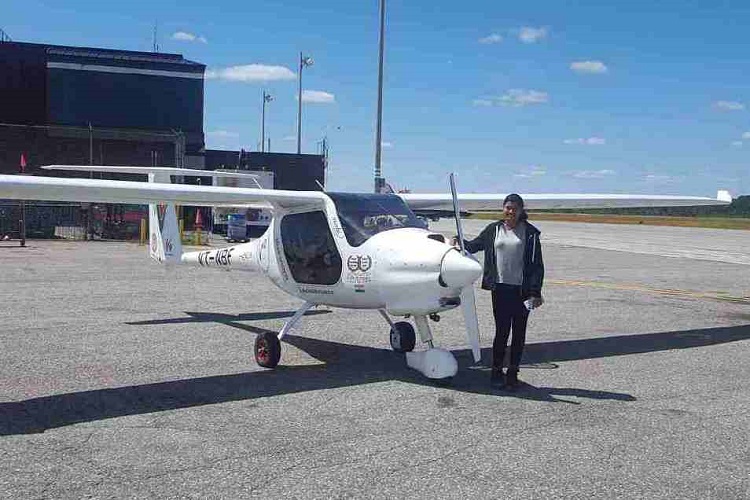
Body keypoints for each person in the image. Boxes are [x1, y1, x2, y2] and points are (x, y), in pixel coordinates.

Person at [457, 194, 544, 390]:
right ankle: (496, 372)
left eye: (514, 208)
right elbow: (474, 245)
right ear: (503, 209)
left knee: (519, 334)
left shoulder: (530, 233)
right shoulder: (493, 230)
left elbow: (537, 265)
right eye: (507, 207)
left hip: (522, 291)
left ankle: (513, 373)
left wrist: (535, 292)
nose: (510, 211)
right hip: (500, 289)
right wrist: (458, 241)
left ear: (521, 211)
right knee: (502, 332)